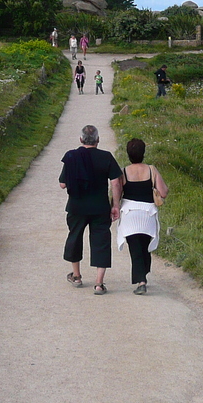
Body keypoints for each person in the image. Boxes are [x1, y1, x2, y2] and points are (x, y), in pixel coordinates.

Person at [59, 125, 122, 295]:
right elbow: (116, 182)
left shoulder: (71, 156)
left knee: (75, 237)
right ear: (98, 140)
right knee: (101, 241)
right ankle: (99, 284)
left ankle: (77, 276)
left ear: (81, 140)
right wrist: (115, 205)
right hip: (100, 207)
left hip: (76, 206)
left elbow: (62, 183)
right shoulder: (106, 157)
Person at [117, 138, 168, 295]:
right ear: (143, 153)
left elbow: (117, 195)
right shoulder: (152, 170)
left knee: (135, 248)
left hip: (130, 214)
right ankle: (144, 273)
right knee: (145, 246)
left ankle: (141, 282)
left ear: (128, 154)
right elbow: (164, 192)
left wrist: (113, 207)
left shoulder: (124, 172)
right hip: (148, 213)